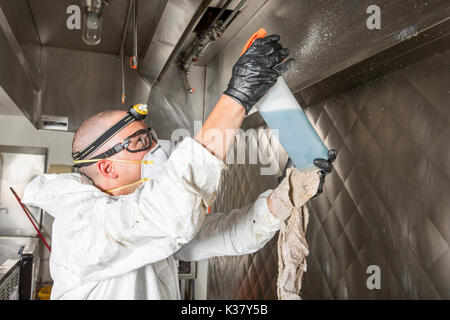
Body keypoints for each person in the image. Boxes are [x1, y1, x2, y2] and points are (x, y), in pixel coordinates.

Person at [22, 35, 333, 300]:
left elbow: (229, 235)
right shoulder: (81, 225)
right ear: (107, 167)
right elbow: (170, 212)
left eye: (150, 136)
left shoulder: (139, 218)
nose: (156, 148)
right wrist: (237, 98)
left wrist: (285, 195)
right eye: (140, 142)